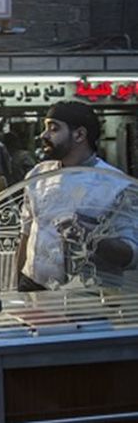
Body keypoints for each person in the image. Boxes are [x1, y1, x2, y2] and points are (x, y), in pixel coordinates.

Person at [17, 101, 138, 291]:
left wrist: (91, 237)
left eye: (53, 128)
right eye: (45, 128)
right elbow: (26, 233)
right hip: (34, 286)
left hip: (89, 295)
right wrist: (17, 284)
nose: (44, 135)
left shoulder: (116, 184)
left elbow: (131, 255)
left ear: (79, 134)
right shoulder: (38, 175)